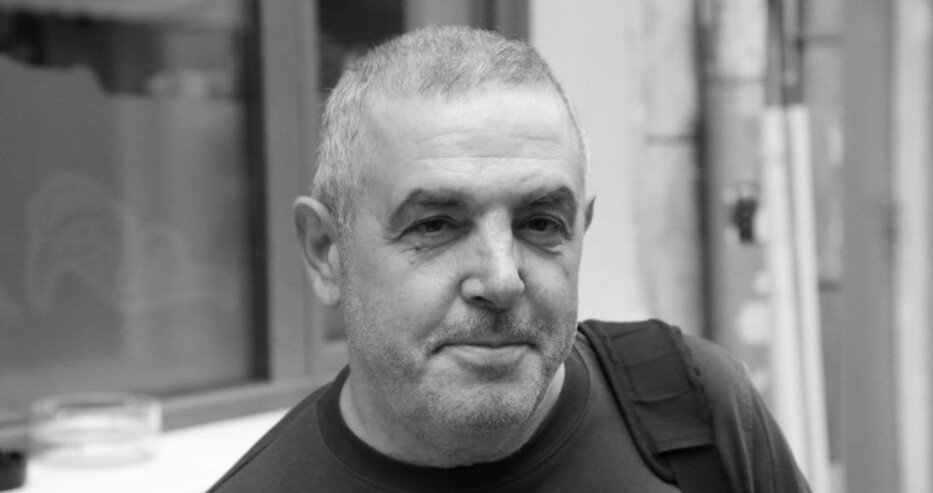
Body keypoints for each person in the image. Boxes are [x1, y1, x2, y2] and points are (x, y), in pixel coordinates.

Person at [209, 25, 810, 492]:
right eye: (436, 225)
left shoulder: (694, 411)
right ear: (326, 251)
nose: (501, 279)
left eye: (540, 224)